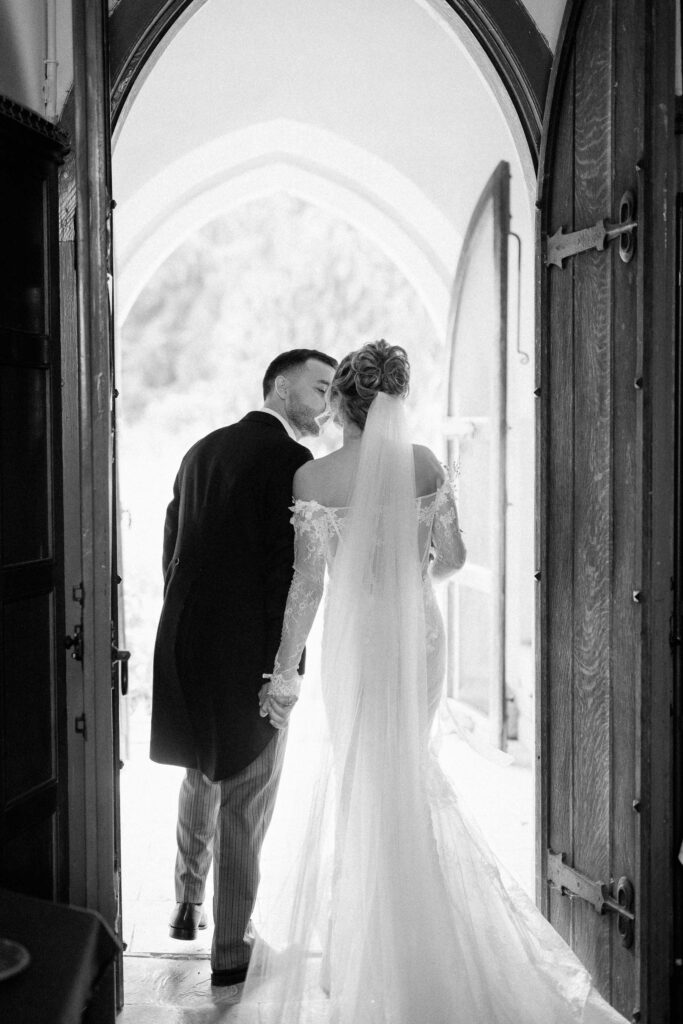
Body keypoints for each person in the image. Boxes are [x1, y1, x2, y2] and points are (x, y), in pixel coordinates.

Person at [242, 340, 627, 1023]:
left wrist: (283, 674)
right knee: (405, 777)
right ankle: (398, 940)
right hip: (417, 636)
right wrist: (411, 579)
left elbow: (305, 588)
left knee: (364, 782)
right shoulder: (420, 465)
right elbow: (452, 558)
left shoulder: (314, 479)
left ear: (341, 401)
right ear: (395, 398)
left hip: (354, 644)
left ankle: (366, 950)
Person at [149, 348, 337, 987]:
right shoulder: (290, 462)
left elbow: (171, 546)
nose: (328, 405)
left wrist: (187, 626)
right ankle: (231, 948)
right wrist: (282, 668)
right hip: (248, 653)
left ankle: (186, 900)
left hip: (184, 641)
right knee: (249, 788)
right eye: (319, 389)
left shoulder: (201, 449)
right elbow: (290, 576)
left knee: (202, 769)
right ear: (281, 389)